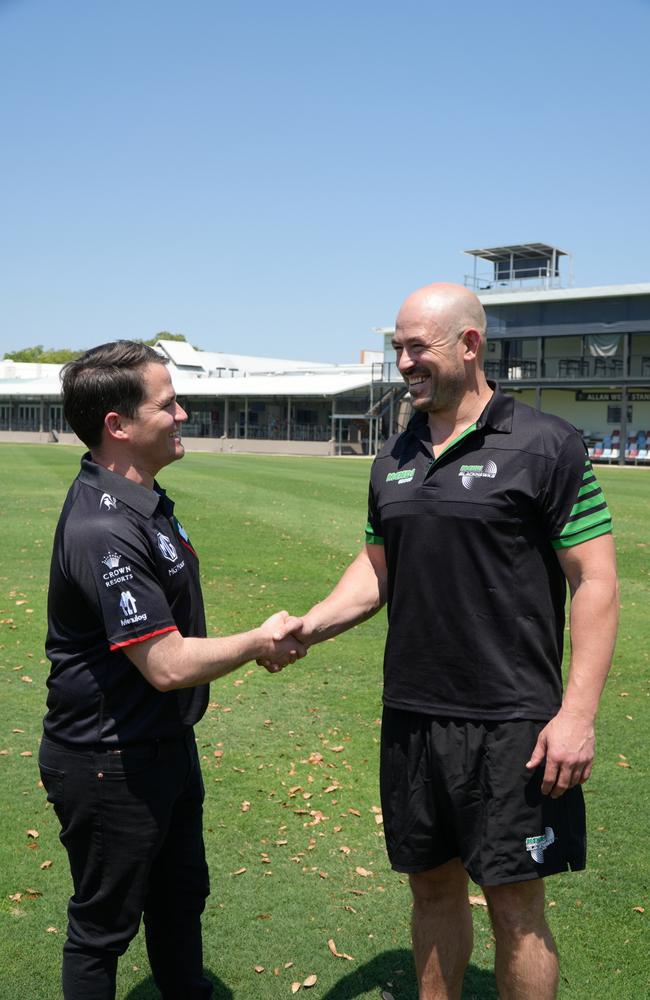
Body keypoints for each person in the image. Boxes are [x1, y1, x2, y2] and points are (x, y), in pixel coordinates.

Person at [270, 283, 619, 999]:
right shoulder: (394, 454)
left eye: (415, 347)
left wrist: (577, 714)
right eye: (397, 347)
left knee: (516, 906)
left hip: (513, 720)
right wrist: (312, 625)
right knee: (430, 890)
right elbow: (377, 569)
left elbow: (596, 583)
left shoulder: (547, 446)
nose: (402, 362)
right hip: (414, 716)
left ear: (469, 344)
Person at [39, 341, 304, 1000]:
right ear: (118, 426)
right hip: (109, 760)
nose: (184, 414)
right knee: (103, 928)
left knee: (181, 898)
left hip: (161, 746)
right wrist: (257, 640)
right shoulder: (101, 528)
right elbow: (163, 662)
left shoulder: (144, 501)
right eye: (169, 404)